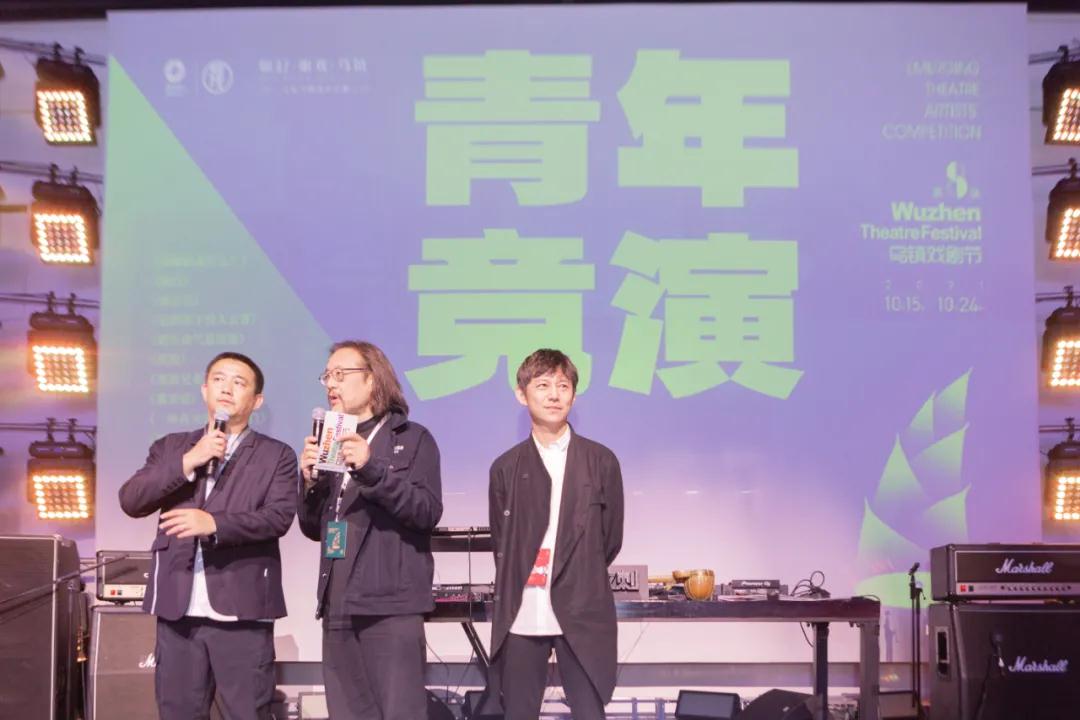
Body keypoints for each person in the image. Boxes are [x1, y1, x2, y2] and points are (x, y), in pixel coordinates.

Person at [119, 351, 297, 720]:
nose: (226, 388)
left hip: (242, 610)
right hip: (177, 609)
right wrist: (189, 461)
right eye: (218, 379)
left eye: (238, 382)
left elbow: (277, 518)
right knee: (177, 712)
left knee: (247, 712)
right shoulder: (171, 447)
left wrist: (214, 524)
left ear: (256, 401)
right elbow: (131, 500)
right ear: (204, 390)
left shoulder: (276, 455)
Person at [297, 340, 443, 720]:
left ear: (373, 379)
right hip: (338, 606)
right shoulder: (331, 440)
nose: (331, 384)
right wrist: (310, 483)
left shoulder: (412, 438)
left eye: (340, 374)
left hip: (390, 608)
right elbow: (314, 528)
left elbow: (426, 511)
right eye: (327, 376)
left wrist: (370, 468)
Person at [487, 348, 625, 720]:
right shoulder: (505, 467)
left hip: (582, 608)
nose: (554, 395)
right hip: (523, 610)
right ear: (522, 394)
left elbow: (610, 539)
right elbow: (502, 542)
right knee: (518, 711)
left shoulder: (601, 461)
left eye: (563, 386)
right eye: (543, 385)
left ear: (573, 396)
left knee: (589, 712)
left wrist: (579, 572)